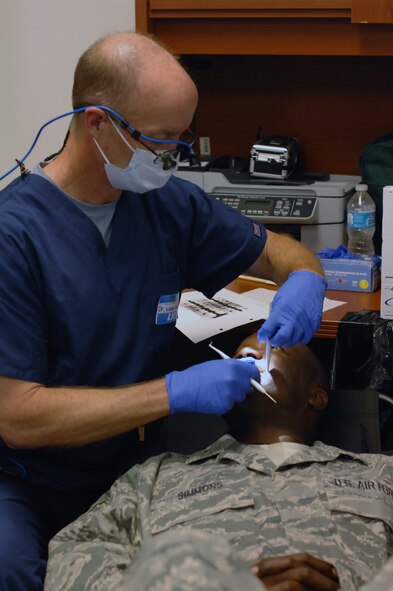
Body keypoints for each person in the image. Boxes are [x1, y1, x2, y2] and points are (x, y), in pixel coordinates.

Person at [0, 31, 327, 590]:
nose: (173, 157)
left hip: (129, 469)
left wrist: (306, 279)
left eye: (182, 139)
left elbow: (281, 251)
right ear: (99, 123)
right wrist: (173, 393)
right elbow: (17, 416)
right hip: (26, 480)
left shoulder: (166, 205)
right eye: (162, 140)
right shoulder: (15, 236)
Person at [44, 334, 393, 591]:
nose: (249, 353)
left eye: (277, 347)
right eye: (240, 353)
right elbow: (72, 558)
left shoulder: (380, 473)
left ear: (316, 395)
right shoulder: (156, 478)